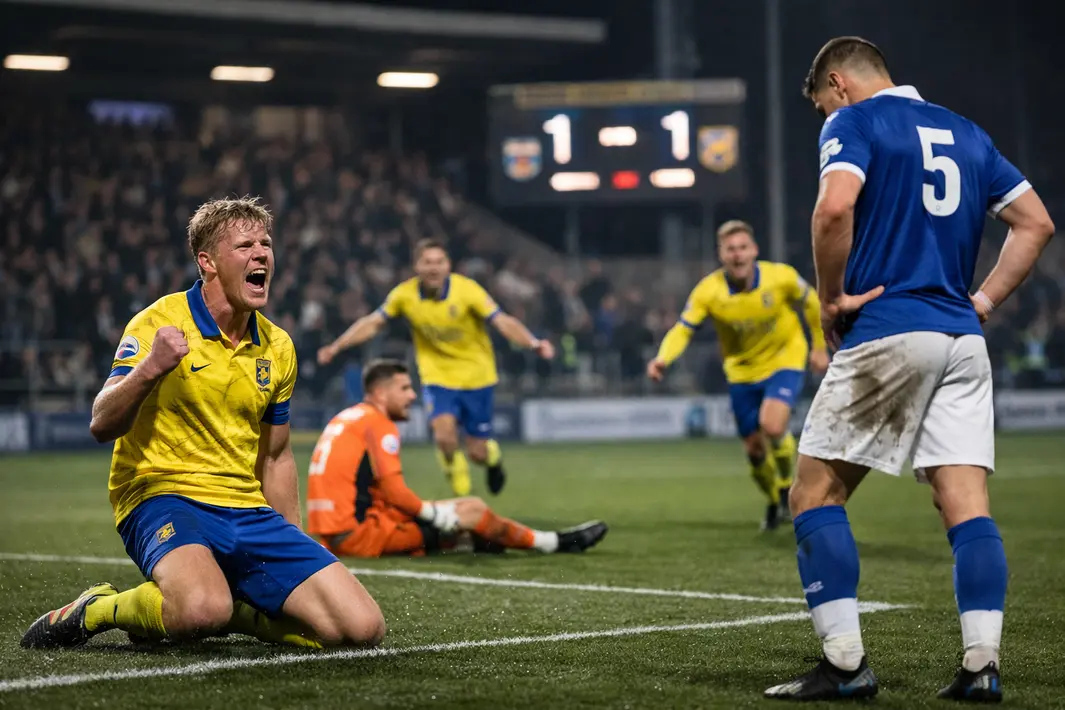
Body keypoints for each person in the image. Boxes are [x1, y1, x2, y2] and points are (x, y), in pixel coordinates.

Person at [763, 38, 1055, 702]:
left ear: (836, 84)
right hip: (960, 339)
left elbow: (833, 209)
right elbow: (1034, 223)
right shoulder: (967, 133)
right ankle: (980, 668)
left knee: (812, 495)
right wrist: (980, 301)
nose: (822, 116)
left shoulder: (855, 121)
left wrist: (829, 298)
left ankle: (843, 666)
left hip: (891, 329)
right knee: (964, 504)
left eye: (818, 106)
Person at [21, 197, 386, 651]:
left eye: (266, 244)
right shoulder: (158, 322)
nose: (261, 254)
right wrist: (151, 367)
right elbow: (101, 423)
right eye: (245, 245)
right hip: (163, 496)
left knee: (358, 629)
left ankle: (239, 612)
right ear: (207, 261)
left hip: (246, 508)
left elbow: (274, 455)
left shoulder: (278, 346)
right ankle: (100, 608)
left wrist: (294, 544)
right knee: (199, 609)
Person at [317, 238, 554, 498]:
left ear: (448, 265)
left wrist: (533, 343)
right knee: (444, 438)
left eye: (439, 262)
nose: (433, 268)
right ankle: (464, 500)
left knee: (477, 452)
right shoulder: (404, 295)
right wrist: (337, 346)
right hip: (437, 378)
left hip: (477, 376)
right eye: (427, 262)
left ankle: (492, 458)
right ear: (416, 266)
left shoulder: (468, 290)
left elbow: (502, 321)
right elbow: (373, 323)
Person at [306, 358, 608, 557]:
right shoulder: (378, 423)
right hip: (358, 536)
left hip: (334, 531)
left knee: (467, 514)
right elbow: (395, 490)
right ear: (381, 394)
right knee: (472, 512)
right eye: (405, 388)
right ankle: (552, 543)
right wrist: (434, 515)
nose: (413, 395)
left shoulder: (347, 417)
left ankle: (484, 540)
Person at [647, 221, 829, 531]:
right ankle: (774, 500)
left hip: (785, 358)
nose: (738, 254)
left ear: (754, 250)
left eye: (743, 247)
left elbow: (812, 301)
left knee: (772, 425)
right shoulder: (709, 291)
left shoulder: (780, 277)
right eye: (731, 249)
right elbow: (683, 328)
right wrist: (663, 359)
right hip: (741, 372)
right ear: (721, 254)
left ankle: (787, 486)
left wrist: (820, 346)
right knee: (754, 450)